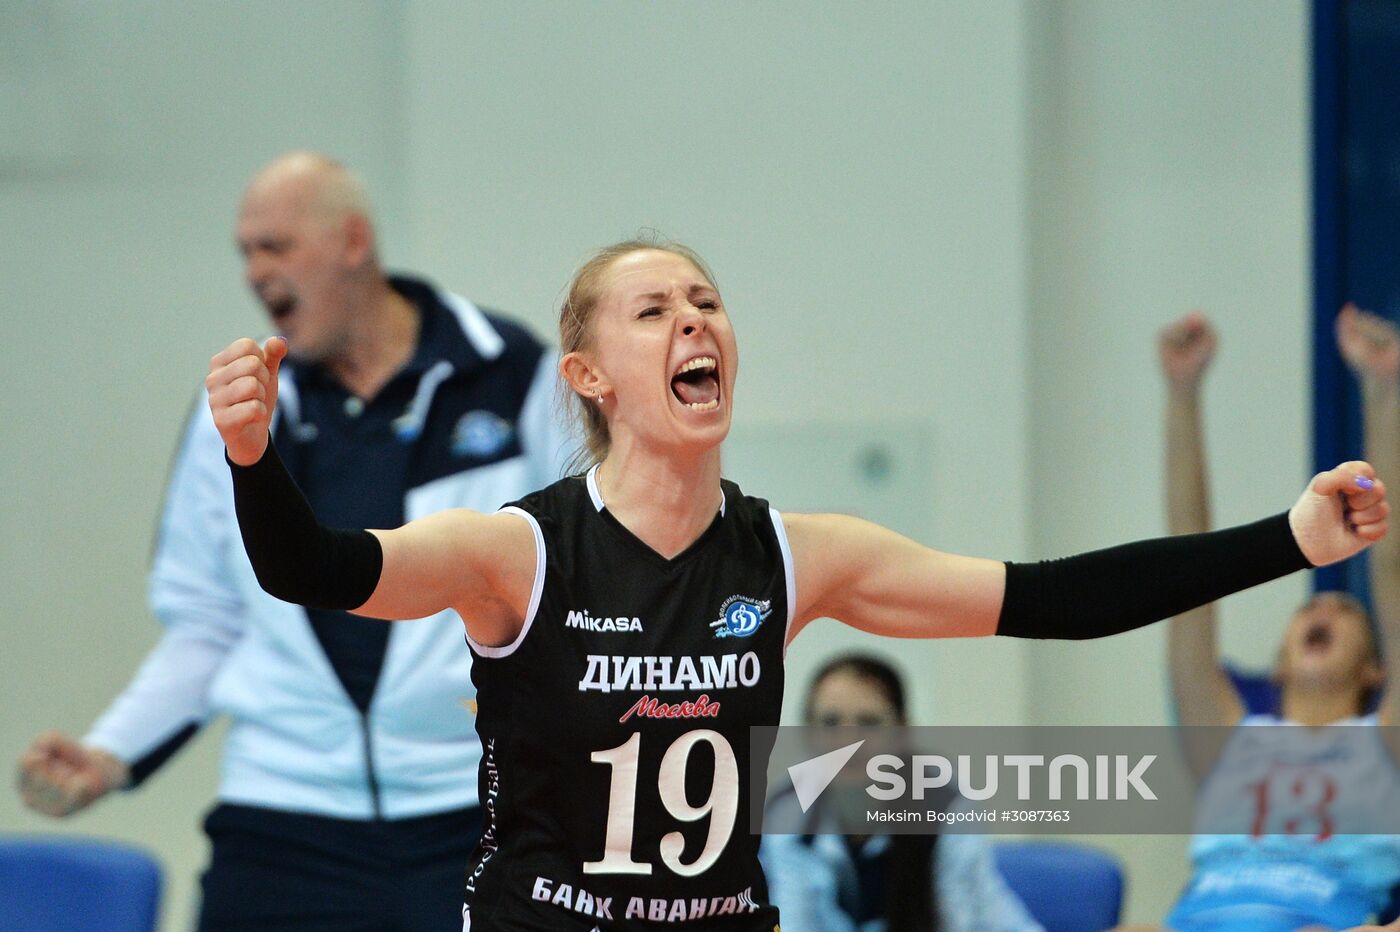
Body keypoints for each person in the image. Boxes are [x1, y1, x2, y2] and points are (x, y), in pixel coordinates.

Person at [211, 236, 1387, 931]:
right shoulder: (516, 552)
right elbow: (312, 566)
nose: (693, 320)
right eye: (654, 309)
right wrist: (256, 457)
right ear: (590, 374)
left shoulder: (790, 552)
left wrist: (1285, 537)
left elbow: (1053, 596)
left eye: (706, 302)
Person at [17, 151, 572, 931]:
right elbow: (207, 625)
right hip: (284, 816)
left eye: (274, 246)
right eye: (245, 252)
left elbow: (589, 580)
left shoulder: (515, 376)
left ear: (352, 241)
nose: (254, 271)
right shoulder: (243, 412)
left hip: (476, 808)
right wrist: (109, 754)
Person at [1148, 309, 1400, 931]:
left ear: (1375, 667)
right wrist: (1183, 393)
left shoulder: (1386, 739)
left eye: (1345, 609)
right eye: (1310, 606)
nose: (1324, 607)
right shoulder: (1227, 731)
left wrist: (1384, 391)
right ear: (1281, 659)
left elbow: (1393, 566)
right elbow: (1187, 560)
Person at [760, 653, 1043, 932]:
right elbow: (795, 919)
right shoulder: (788, 810)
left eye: (869, 722)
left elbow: (958, 922)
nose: (847, 742)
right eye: (830, 722)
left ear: (903, 732)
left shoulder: (944, 805)